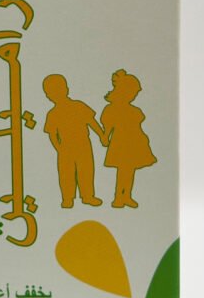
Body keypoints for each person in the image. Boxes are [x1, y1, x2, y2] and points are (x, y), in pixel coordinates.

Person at [43, 74, 107, 208]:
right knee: (66, 174)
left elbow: (91, 122)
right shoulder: (52, 113)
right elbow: (52, 134)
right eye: (51, 93)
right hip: (65, 147)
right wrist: (59, 148)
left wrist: (101, 135)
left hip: (83, 144)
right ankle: (67, 198)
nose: (55, 95)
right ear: (48, 96)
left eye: (58, 90)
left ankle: (88, 196)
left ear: (66, 89)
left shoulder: (78, 105)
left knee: (86, 170)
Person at [101, 69, 157, 208]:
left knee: (130, 172)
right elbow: (108, 127)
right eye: (132, 93)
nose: (133, 96)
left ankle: (126, 196)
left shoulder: (134, 110)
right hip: (120, 144)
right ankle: (118, 197)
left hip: (134, 143)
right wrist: (105, 137)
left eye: (134, 94)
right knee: (123, 172)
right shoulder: (112, 109)